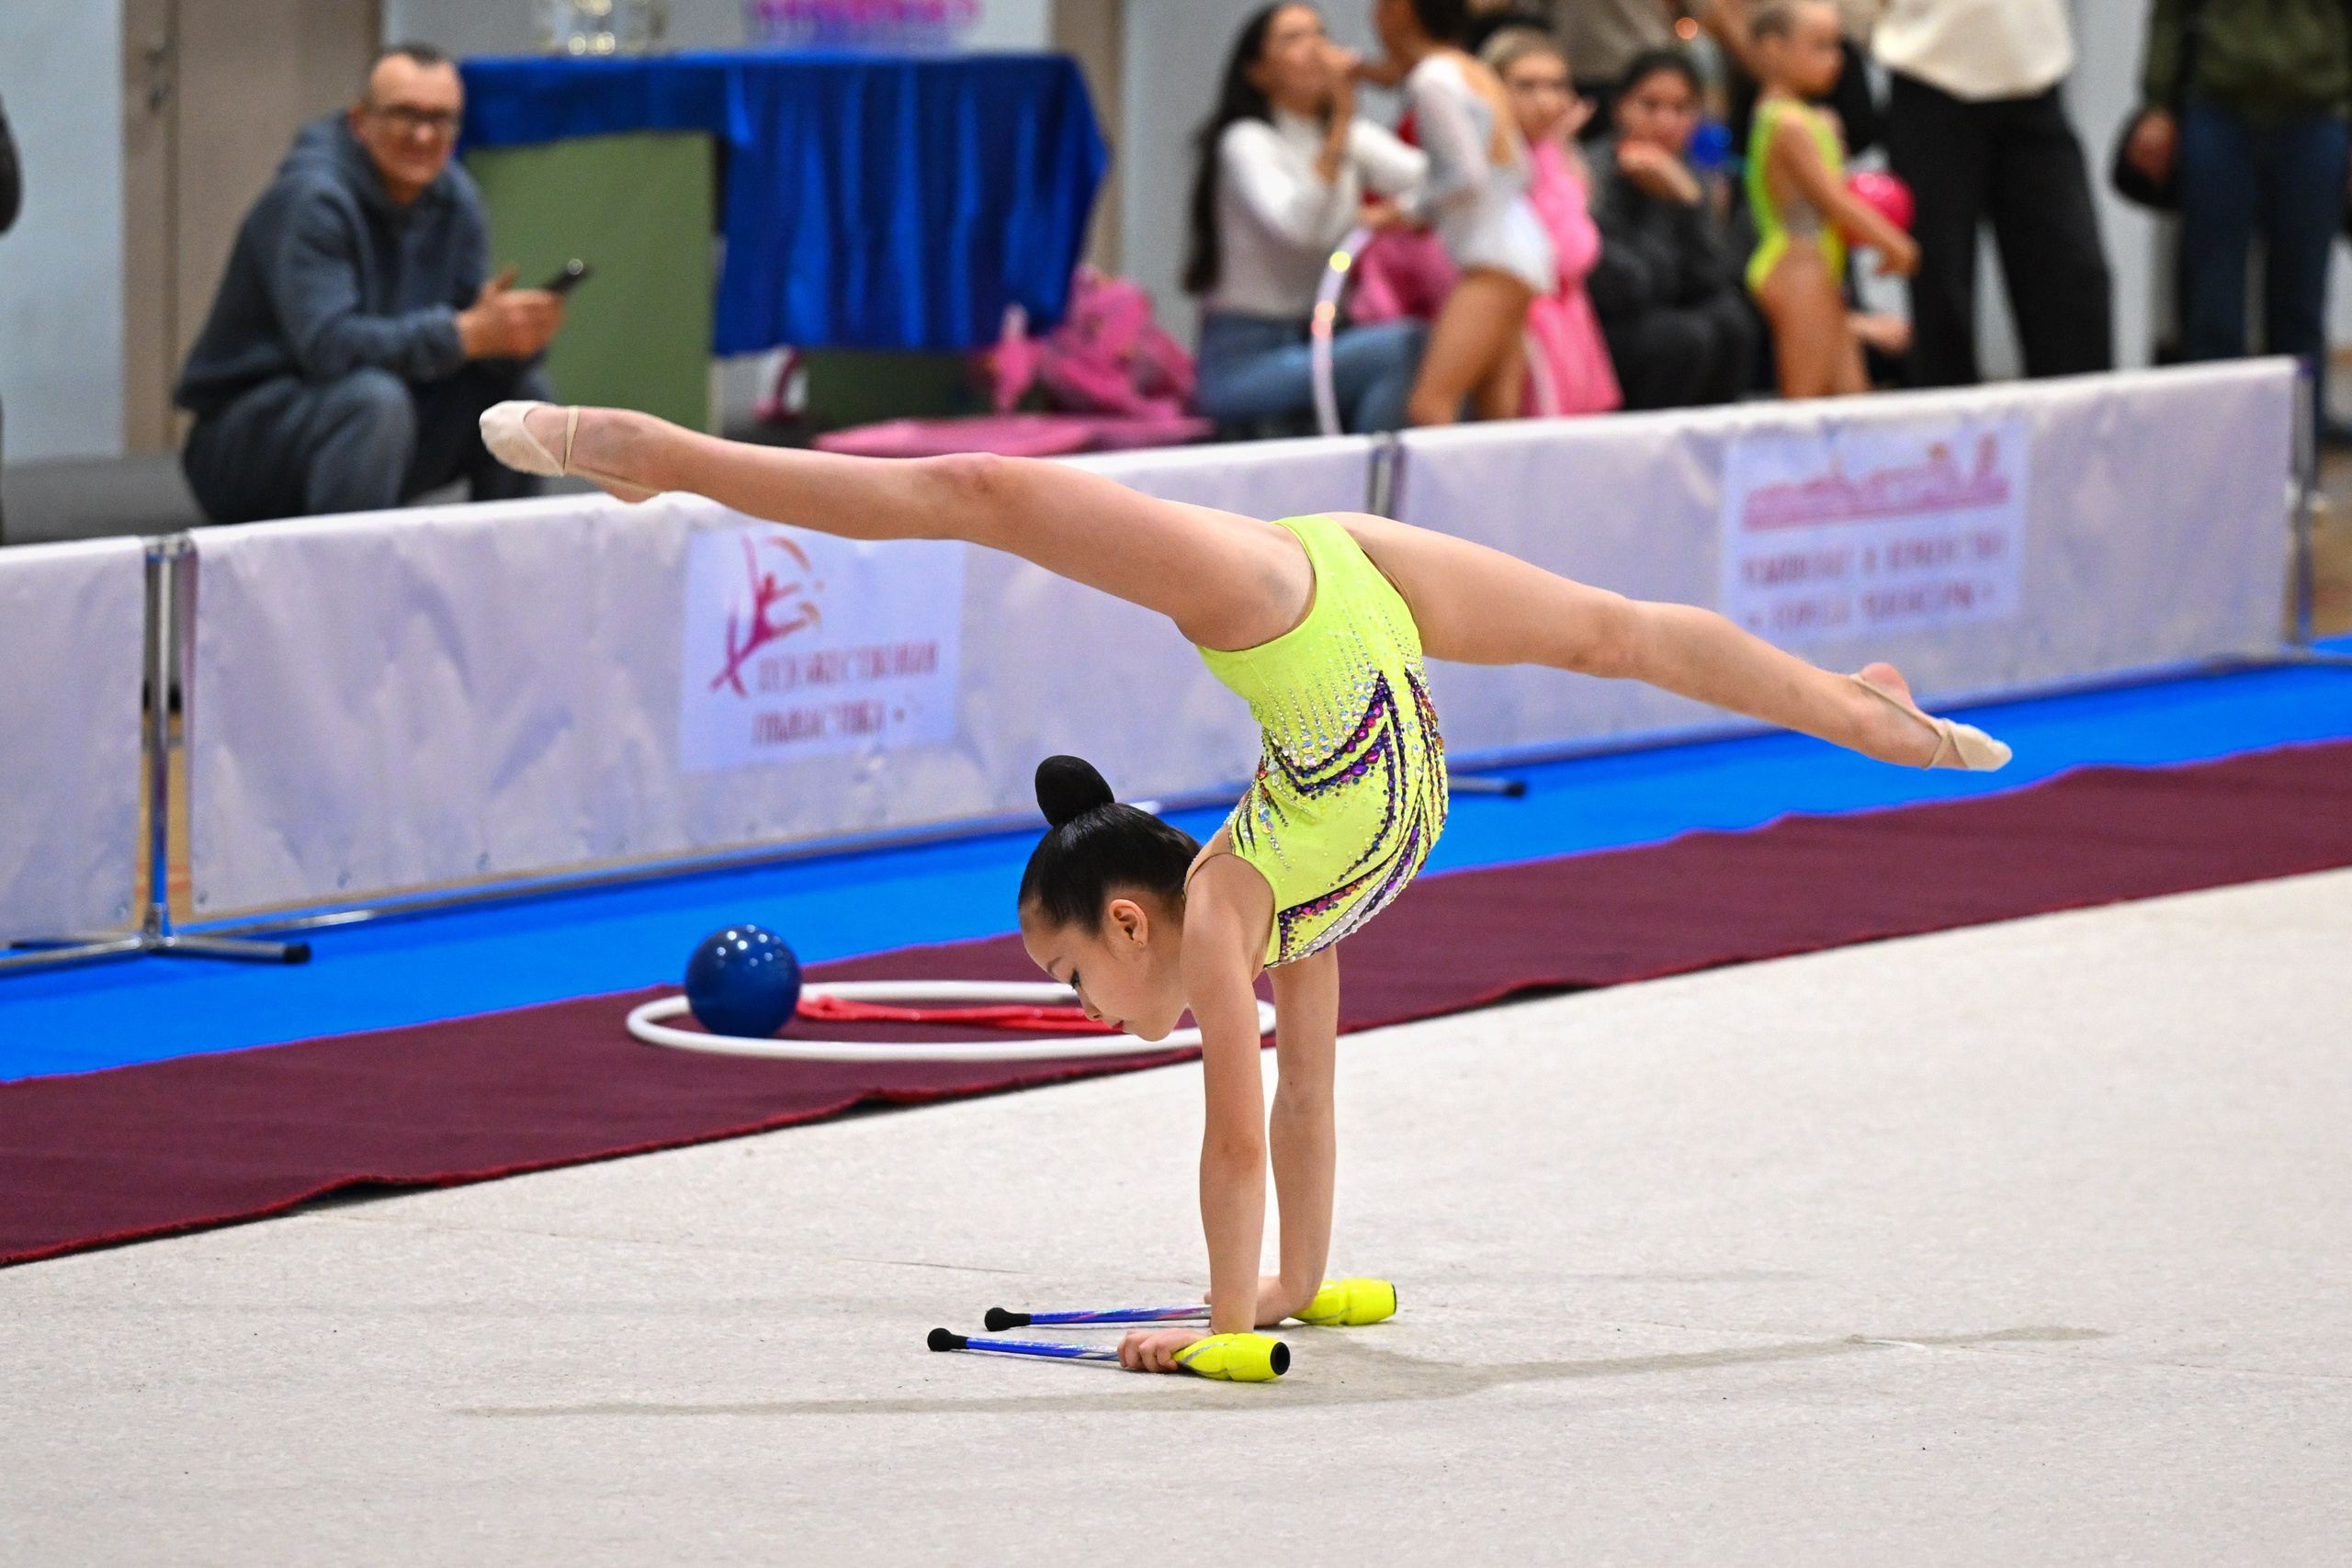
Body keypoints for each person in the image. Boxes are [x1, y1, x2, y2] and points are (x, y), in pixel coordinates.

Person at [476, 395, 2012, 1372]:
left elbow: (1229, 1127)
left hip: (1288, 618)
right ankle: (1850, 701)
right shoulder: (1290, 901)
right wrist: (1293, 1281)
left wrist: (1215, 1330)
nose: (1082, 1007)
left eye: (1072, 974)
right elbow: (1303, 1108)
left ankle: (654, 457)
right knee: (1619, 634)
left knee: (982, 491)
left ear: (1129, 919)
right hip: (1360, 614)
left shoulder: (1224, 905)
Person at [175, 45, 565, 525]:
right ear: (359, 122)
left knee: (519, 400)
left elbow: (465, 341)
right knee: (372, 401)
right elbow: (328, 349)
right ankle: (348, 585)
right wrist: (464, 334)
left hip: (376, 427)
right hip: (248, 443)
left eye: (441, 120)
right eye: (406, 115)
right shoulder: (311, 201)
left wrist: (509, 340)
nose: (423, 135)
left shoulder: (457, 199)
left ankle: (511, 573)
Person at [1189, 5, 1431, 436]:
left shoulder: (1351, 137)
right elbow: (1298, 228)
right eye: (1293, 39)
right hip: (1246, 356)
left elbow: (1441, 182)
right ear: (1258, 72)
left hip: (1323, 335)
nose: (1316, 49)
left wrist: (1396, 213)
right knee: (1405, 345)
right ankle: (1372, 487)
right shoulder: (1246, 141)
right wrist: (1339, 123)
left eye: (1320, 34)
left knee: (1433, 344)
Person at [2127, 0, 2350, 420]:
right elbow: (2171, 13)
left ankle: (2295, 471)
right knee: (2212, 309)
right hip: (2219, 112)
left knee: (2300, 308)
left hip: (2316, 117)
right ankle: (2214, 469)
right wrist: (2157, 104)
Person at [1873, 0, 2113, 387]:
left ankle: (2077, 436)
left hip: (2032, 74)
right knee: (1940, 291)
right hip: (1928, 76)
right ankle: (1949, 439)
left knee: (2072, 282)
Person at [1367, 0, 1556, 423]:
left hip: (1493, 259)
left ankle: (1442, 494)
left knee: (1430, 404)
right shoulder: (1473, 71)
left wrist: (1401, 211)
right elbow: (1521, 171)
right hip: (1523, 253)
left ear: (1399, 12)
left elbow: (1464, 176)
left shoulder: (1431, 80)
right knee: (1497, 411)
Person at [1743, 1, 1917, 399]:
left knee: (1851, 396)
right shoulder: (1786, 123)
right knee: (1807, 402)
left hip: (1818, 267)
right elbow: (1834, 201)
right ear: (1773, 48)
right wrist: (1894, 243)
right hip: (1796, 267)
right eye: (1819, 46)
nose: (1835, 60)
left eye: (1836, 46)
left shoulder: (1803, 118)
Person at [1586, 50, 1760, 408]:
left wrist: (1690, 201)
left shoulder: (1688, 174)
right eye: (1649, 106)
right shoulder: (1594, 173)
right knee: (1684, 337)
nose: (1666, 122)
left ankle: (1715, 449)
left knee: (1733, 321)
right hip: (1604, 328)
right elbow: (1624, 288)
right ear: (1620, 108)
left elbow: (1713, 278)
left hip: (1661, 314)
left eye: (1681, 109)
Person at [1484, 28, 1621, 413]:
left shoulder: (1556, 158)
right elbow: (1562, 255)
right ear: (1492, 90)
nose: (1545, 101)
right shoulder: (1490, 166)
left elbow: (1579, 254)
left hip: (1569, 326)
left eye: (1556, 86)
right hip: (1521, 332)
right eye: (1525, 86)